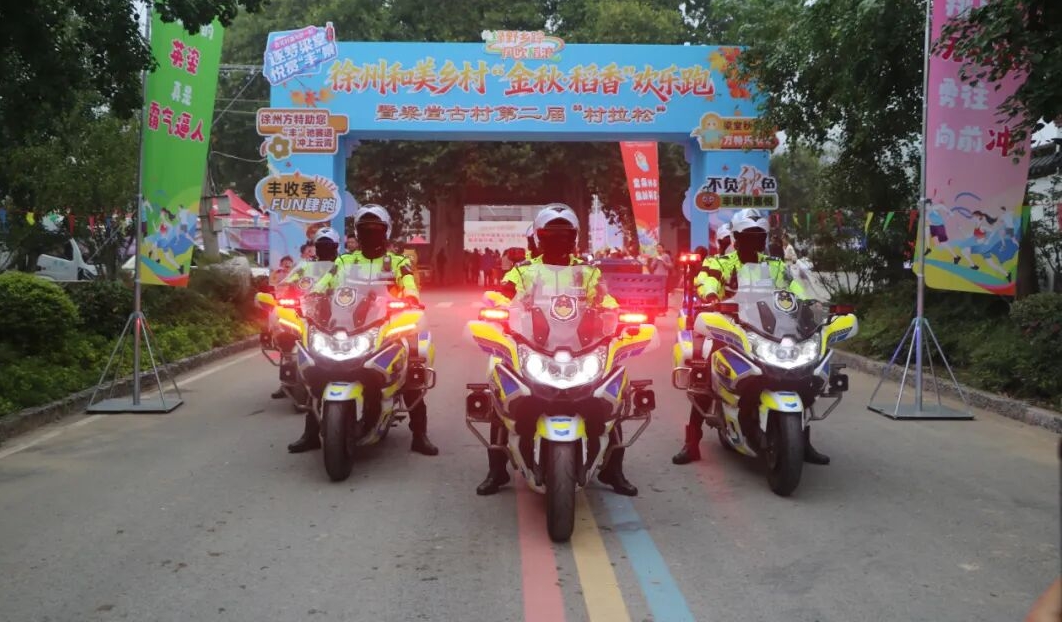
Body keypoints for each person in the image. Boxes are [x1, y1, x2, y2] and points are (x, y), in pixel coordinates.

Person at [476, 203, 637, 497]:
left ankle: (614, 470)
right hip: (534, 345)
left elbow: (605, 300)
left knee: (610, 397)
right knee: (502, 392)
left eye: (565, 235)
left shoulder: (588, 273)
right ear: (539, 237)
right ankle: (496, 470)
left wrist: (620, 315)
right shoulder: (524, 271)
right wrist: (498, 308)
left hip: (581, 346)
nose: (558, 240)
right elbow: (502, 295)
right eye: (551, 235)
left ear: (574, 237)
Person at [672, 208, 827, 465]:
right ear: (736, 237)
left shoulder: (775, 265)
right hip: (730, 328)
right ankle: (692, 442)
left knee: (804, 374)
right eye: (748, 236)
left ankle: (803, 442)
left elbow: (793, 287)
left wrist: (810, 301)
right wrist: (711, 295)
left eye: (759, 236)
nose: (754, 240)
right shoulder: (721, 263)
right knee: (706, 370)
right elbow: (706, 280)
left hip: (771, 330)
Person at [288, 204, 439, 457]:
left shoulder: (397, 262)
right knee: (317, 368)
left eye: (375, 229)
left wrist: (411, 298)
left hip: (388, 323)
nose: (370, 234)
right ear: (357, 233)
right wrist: (309, 297)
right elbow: (325, 282)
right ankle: (311, 434)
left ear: (385, 231)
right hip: (347, 324)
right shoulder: (345, 261)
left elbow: (409, 283)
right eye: (365, 229)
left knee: (412, 367)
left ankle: (419, 435)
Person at [270, 228, 341, 400]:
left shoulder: (344, 264)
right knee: (287, 336)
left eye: (328, 245)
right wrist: (282, 291)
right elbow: (289, 281)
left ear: (336, 246)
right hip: (306, 311)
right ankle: (287, 382)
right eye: (321, 245)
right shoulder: (306, 266)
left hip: (336, 312)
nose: (324, 248)